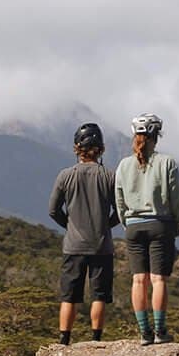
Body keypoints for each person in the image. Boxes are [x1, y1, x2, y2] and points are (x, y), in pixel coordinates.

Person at [115, 113, 179, 343]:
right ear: (157, 135)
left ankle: (144, 332)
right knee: (158, 280)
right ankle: (160, 331)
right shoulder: (167, 163)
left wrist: (127, 221)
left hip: (133, 226)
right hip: (160, 224)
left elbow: (119, 199)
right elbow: (176, 199)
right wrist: (177, 225)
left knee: (138, 280)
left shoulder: (124, 165)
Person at [47, 121, 117, 344]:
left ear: (77, 148)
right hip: (101, 245)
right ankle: (95, 339)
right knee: (99, 295)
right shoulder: (109, 176)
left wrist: (69, 226)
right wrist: (106, 225)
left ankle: (64, 340)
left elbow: (53, 210)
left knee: (69, 296)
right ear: (100, 149)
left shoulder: (65, 175)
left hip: (73, 246)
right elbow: (122, 210)